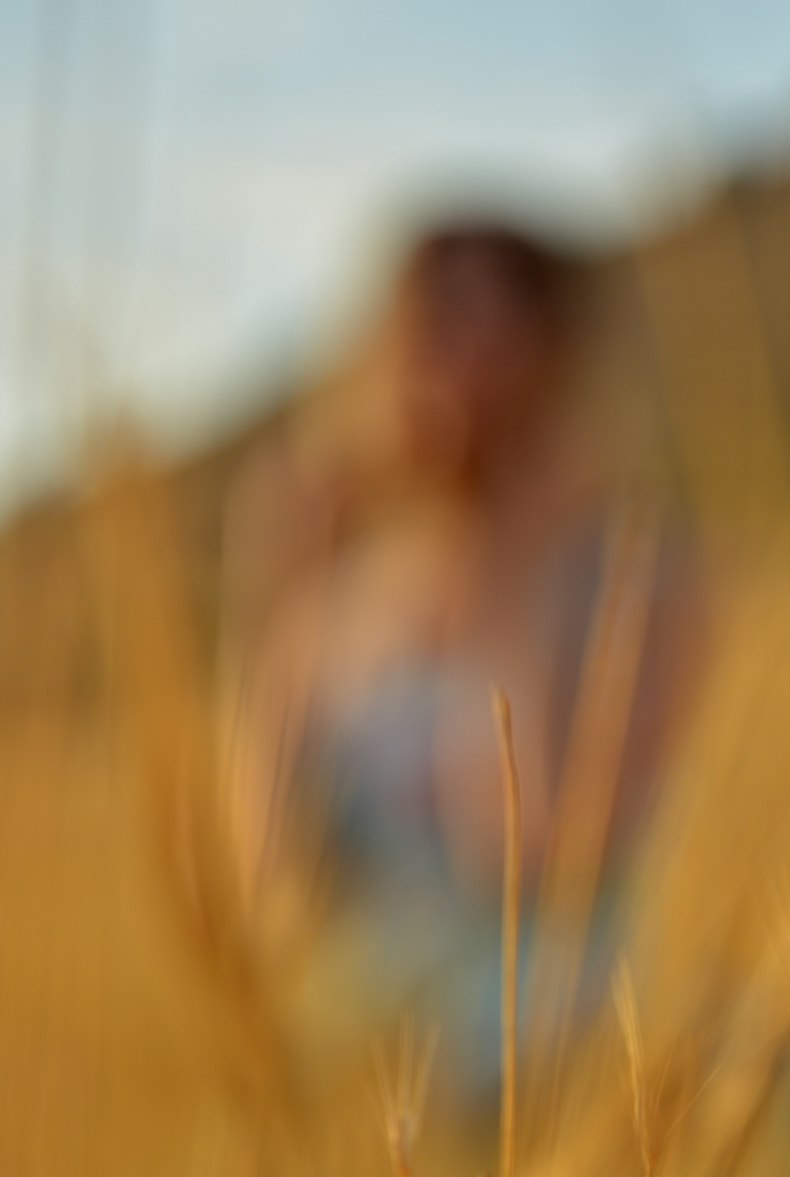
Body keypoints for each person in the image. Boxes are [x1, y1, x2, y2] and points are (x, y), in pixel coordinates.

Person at [219, 220, 707, 1081]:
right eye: (432, 321)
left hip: (552, 1053)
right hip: (361, 1056)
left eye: (490, 327)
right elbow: (266, 883)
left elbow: (531, 854)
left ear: (553, 362)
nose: (455, 368)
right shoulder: (336, 602)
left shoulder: (639, 580)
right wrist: (276, 608)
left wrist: (512, 574)